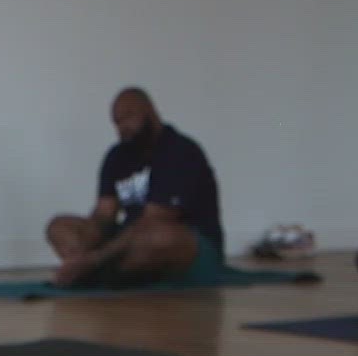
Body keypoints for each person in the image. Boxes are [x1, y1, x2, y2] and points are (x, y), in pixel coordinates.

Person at [43, 87, 224, 288]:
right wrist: (84, 246)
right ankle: (95, 271)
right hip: (129, 240)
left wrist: (95, 258)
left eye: (128, 117)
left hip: (189, 245)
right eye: (116, 122)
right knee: (59, 227)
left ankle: (97, 273)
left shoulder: (179, 151)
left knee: (157, 238)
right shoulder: (116, 156)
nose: (122, 127)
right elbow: (104, 215)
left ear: (150, 111)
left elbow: (153, 220)